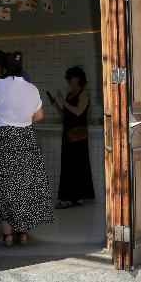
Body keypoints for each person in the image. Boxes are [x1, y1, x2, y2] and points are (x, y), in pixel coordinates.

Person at [0, 52, 53, 247]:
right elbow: (39, 115)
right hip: (25, 140)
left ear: (3, 69)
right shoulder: (32, 88)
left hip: (1, 140)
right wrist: (21, 121)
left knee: (2, 187)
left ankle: (7, 235)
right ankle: (23, 233)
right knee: (22, 186)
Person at [49, 66, 95, 208]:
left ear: (78, 78)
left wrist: (63, 102)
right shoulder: (69, 95)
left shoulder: (84, 93)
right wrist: (57, 104)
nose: (68, 80)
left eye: (70, 77)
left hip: (78, 136)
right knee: (69, 166)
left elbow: (78, 112)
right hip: (68, 134)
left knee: (76, 166)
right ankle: (76, 197)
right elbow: (65, 116)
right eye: (67, 77)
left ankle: (68, 198)